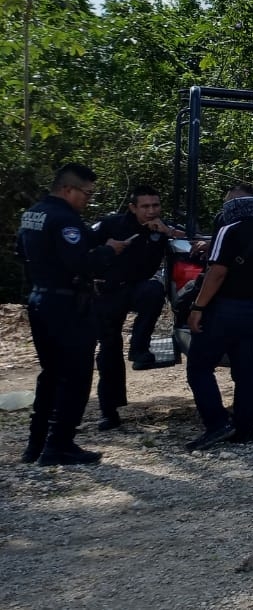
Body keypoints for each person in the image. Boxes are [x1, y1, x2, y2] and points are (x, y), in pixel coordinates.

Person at [15, 164, 132, 465]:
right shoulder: (65, 219)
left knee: (51, 375)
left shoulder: (34, 213)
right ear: (68, 189)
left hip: (40, 299)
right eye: (87, 193)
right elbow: (81, 264)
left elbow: (23, 253)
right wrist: (110, 251)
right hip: (67, 306)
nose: (89, 200)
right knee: (76, 376)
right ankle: (60, 445)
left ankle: (36, 445)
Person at [182, 184, 253, 450]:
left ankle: (217, 423)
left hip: (224, 310)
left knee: (199, 367)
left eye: (227, 201)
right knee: (245, 372)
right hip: (252, 310)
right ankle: (245, 430)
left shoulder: (227, 230)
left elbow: (217, 273)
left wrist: (198, 308)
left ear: (233, 205)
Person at [91, 186, 185, 431]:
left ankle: (139, 348)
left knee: (154, 291)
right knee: (109, 351)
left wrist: (168, 232)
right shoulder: (111, 224)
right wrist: (106, 248)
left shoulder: (162, 228)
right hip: (108, 291)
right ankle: (109, 411)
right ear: (133, 207)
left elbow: (191, 242)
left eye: (155, 205)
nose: (151, 211)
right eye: (145, 206)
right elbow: (82, 246)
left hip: (138, 288)